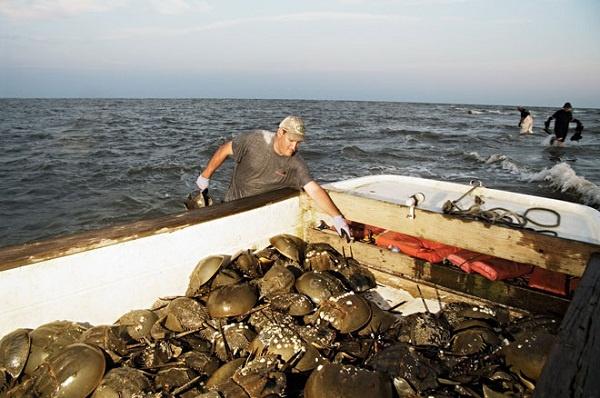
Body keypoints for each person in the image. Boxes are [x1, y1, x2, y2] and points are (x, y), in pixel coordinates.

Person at [194, 116, 352, 239]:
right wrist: (205, 176)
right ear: (280, 132)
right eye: (291, 141)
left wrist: (337, 218)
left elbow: (313, 189)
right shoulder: (255, 140)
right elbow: (225, 149)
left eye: (299, 143)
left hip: (260, 214)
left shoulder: (296, 163)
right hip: (232, 206)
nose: (294, 147)